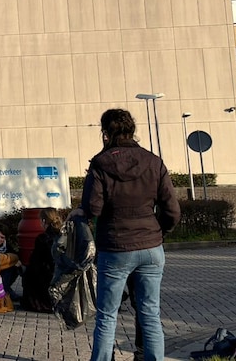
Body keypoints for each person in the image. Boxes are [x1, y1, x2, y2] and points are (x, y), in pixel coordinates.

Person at [76, 108, 180, 361]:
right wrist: (158, 233)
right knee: (150, 314)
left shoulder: (101, 164)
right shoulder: (154, 161)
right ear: (132, 130)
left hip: (115, 247)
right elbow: (172, 210)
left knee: (107, 315)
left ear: (105, 133)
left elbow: (93, 208)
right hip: (151, 247)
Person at [20, 207, 64, 312]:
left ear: (44, 221)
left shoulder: (43, 238)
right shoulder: (64, 235)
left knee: (28, 273)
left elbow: (35, 263)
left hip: (46, 278)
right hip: (62, 275)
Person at [0, 226, 21, 296]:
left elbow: (14, 255)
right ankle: (4, 291)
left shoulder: (6, 246)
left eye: (2, 237)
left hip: (3, 273)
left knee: (15, 266)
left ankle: (5, 288)